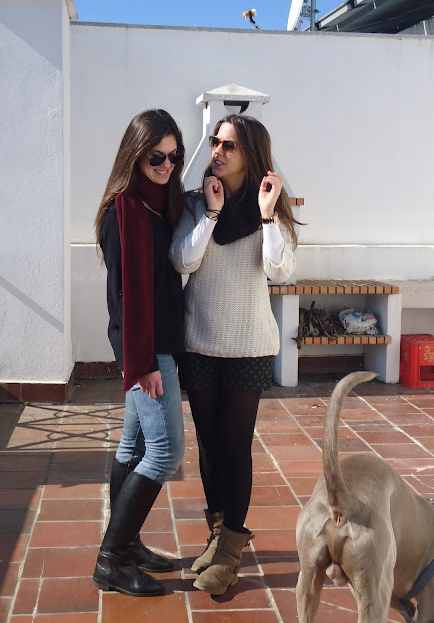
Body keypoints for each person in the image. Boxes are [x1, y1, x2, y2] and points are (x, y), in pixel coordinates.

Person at [169, 114, 298, 596]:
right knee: (208, 444)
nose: (217, 152)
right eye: (215, 142)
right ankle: (218, 536)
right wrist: (210, 214)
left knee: (235, 445)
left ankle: (229, 553)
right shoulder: (195, 201)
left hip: (249, 345)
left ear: (251, 154)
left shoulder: (272, 205)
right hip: (199, 339)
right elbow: (182, 260)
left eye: (229, 146)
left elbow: (280, 271)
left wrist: (266, 216)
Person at [93, 109, 186, 597]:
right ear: (135, 155)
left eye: (173, 156)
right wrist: (144, 364)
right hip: (147, 352)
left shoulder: (157, 206)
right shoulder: (122, 212)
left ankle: (125, 548)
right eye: (156, 157)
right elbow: (122, 298)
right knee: (166, 452)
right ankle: (111, 559)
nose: (166, 165)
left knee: (132, 448)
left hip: (157, 346)